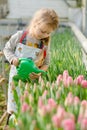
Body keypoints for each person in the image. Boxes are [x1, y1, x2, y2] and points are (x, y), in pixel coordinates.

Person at [3, 8, 58, 127]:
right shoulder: (20, 36)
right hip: (15, 81)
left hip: (31, 82)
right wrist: (13, 59)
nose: (45, 35)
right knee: (13, 108)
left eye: (48, 33)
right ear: (35, 23)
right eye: (43, 31)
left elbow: (46, 63)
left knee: (27, 108)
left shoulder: (44, 45)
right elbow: (6, 49)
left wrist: (39, 73)